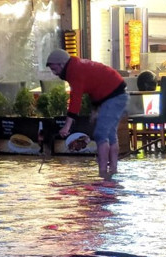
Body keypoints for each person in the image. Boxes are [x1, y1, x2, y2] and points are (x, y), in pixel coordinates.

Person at [46, 49, 129, 182]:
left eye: (54, 69)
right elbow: (94, 84)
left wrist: (67, 126)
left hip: (114, 96)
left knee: (101, 135)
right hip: (117, 93)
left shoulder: (74, 70)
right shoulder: (77, 65)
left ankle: (102, 173)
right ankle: (113, 170)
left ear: (62, 64)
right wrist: (95, 109)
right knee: (110, 135)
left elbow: (76, 99)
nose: (54, 73)